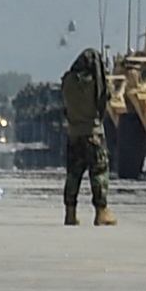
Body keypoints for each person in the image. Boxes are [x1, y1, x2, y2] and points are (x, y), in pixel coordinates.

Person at [58, 45, 116, 225]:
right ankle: (101, 212)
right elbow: (106, 98)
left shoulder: (68, 81)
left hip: (74, 134)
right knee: (99, 173)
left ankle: (70, 212)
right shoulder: (95, 82)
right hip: (93, 134)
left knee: (73, 175)